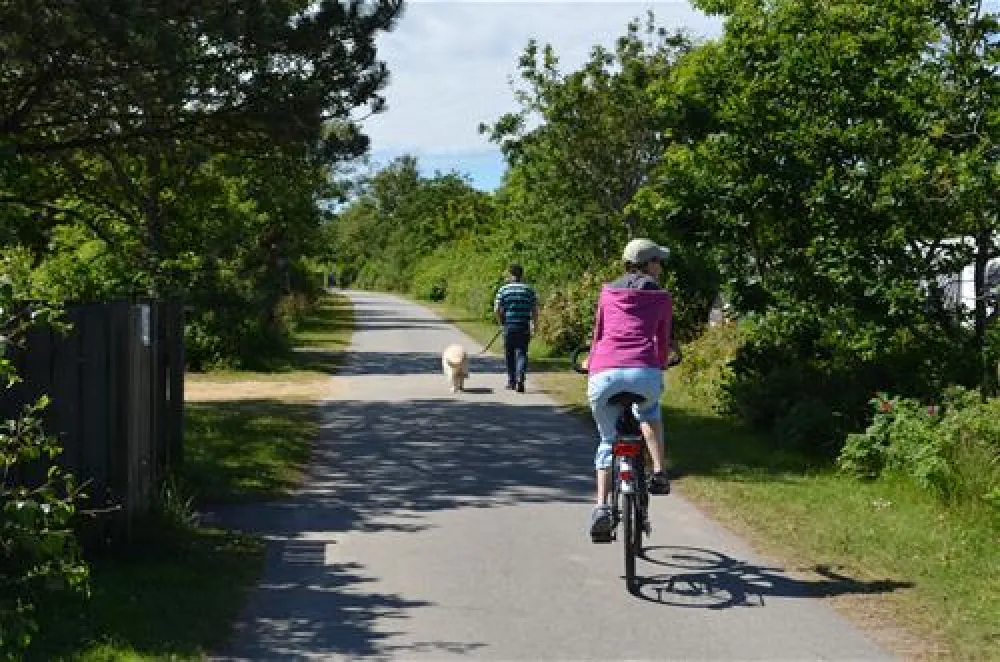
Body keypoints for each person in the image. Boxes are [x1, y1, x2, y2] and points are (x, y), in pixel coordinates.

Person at [586, 238, 673, 542]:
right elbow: (662, 340)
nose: (661, 267)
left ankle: (601, 507)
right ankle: (659, 472)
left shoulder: (607, 292)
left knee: (607, 440)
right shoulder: (660, 296)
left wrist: (592, 361)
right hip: (643, 372)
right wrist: (661, 363)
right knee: (649, 411)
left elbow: (598, 333)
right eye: (659, 261)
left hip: (604, 372)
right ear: (648, 264)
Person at [493, 264, 538, 393]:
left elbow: (496, 309)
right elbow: (534, 310)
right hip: (523, 325)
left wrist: (501, 324)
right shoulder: (529, 290)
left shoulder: (503, 290)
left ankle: (512, 381)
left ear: (510, 274)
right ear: (521, 275)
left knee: (509, 354)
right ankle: (520, 379)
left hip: (509, 325)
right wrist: (535, 325)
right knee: (522, 353)